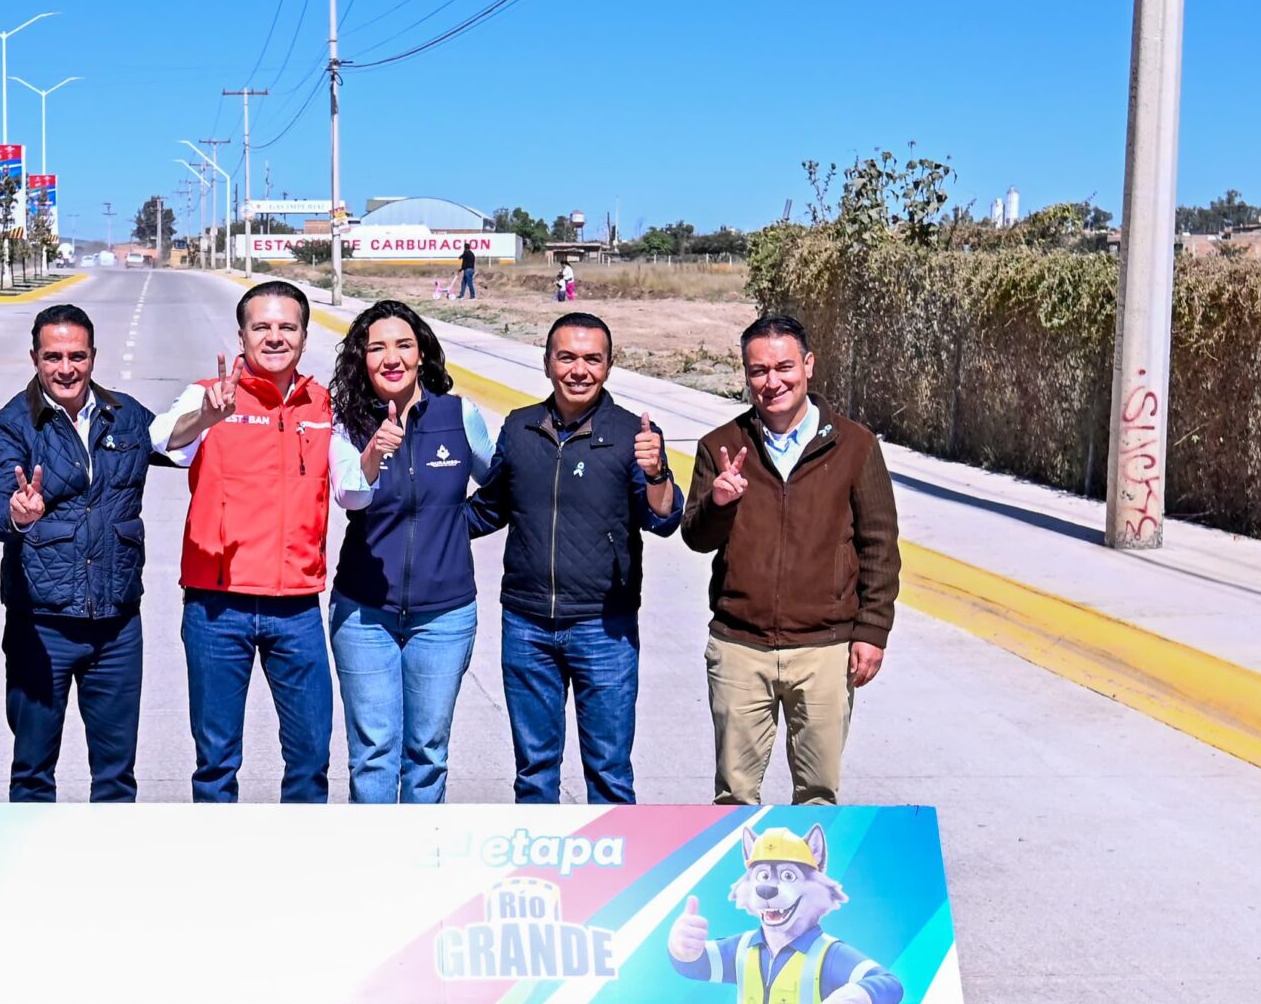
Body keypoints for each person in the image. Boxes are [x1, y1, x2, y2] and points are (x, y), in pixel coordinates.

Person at [682, 313, 900, 806]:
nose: (772, 381)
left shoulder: (855, 446)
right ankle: (736, 883)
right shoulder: (721, 446)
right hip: (740, 646)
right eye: (758, 371)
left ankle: (809, 882)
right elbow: (695, 537)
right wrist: (718, 502)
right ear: (745, 375)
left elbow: (880, 545)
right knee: (733, 796)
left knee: (819, 794)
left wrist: (872, 631)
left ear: (808, 365)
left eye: (784, 367)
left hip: (825, 649)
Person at [468, 313, 683, 804]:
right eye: (567, 357)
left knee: (609, 772)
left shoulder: (635, 434)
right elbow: (490, 508)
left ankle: (618, 878)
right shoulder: (520, 427)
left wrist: (657, 474)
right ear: (547, 363)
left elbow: (664, 519)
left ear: (609, 366)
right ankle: (542, 875)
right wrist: (415, 526)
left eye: (592, 359)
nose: (579, 370)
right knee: (535, 773)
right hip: (527, 625)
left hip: (603, 629)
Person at [152, 280, 336, 803]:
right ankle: (220, 869)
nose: (274, 337)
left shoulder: (325, 405)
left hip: (297, 608)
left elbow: (353, 485)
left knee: (310, 756)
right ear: (241, 335)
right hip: (217, 609)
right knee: (216, 761)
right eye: (262, 327)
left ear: (303, 336)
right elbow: (162, 439)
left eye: (287, 327)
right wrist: (207, 416)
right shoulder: (210, 394)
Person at [0, 304, 158, 802]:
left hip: (117, 626)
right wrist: (19, 514)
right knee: (33, 771)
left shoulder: (125, 414)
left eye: (77, 356)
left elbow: (180, 441)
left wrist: (211, 412)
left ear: (93, 356)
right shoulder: (11, 425)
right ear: (35, 357)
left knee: (117, 777)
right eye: (53, 356)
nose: (66, 369)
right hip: (42, 626)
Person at [328, 301, 496, 804]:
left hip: (444, 616)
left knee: (427, 753)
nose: (391, 357)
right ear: (362, 358)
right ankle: (376, 871)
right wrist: (374, 453)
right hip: (363, 613)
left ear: (421, 353)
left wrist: (458, 524)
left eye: (403, 344)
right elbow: (350, 497)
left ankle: (422, 868)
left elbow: (501, 484)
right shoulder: (347, 423)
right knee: (373, 753)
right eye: (377, 347)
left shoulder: (458, 414)